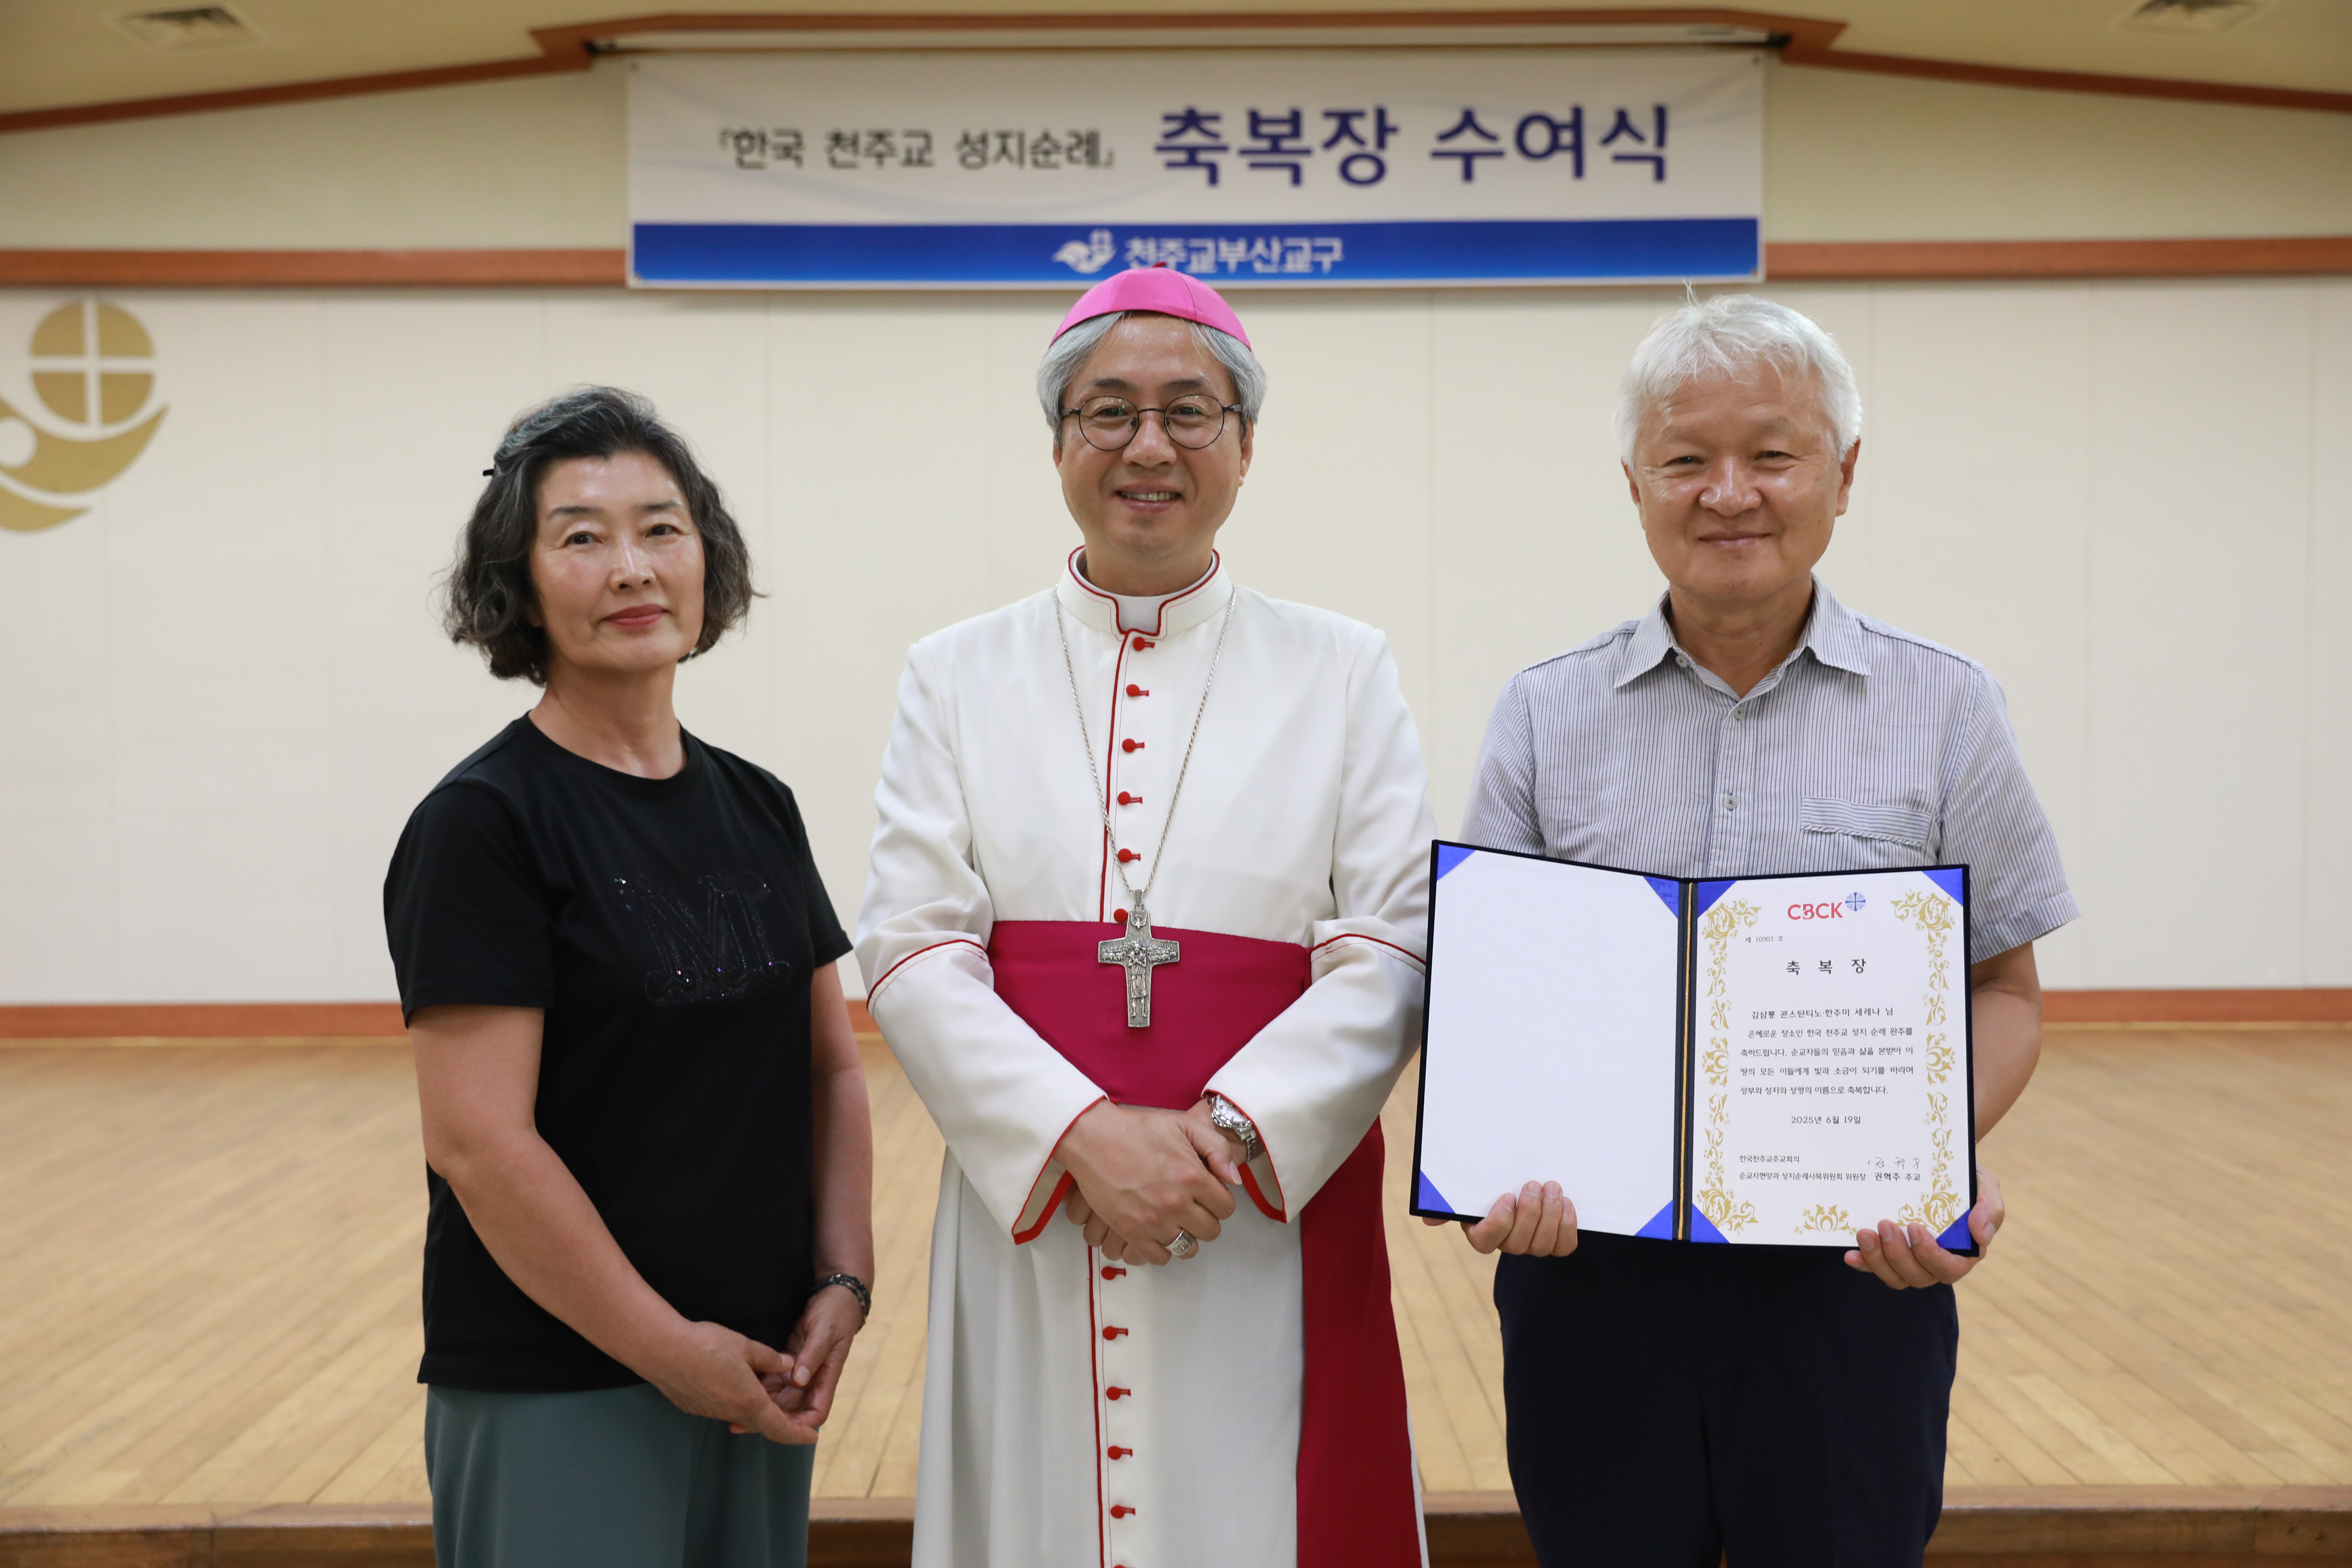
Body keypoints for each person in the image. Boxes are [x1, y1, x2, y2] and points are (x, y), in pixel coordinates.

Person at [1440, 295, 2077, 1567]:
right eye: (1687, 459)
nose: (1729, 492)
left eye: (1771, 455)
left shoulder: (1945, 704)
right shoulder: (1544, 713)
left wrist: (1932, 1159)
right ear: (1635, 484)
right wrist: (1490, 1161)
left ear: (1843, 475)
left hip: (1850, 1275)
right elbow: (1493, 999)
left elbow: (2006, 986)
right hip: (1592, 1274)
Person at [856, 268, 1435, 1568]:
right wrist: (1079, 1135)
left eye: (1191, 410)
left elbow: (1390, 942)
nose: (1149, 446)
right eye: (1107, 412)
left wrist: (1221, 1138)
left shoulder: (1343, 667)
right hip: (1040, 1201)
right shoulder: (955, 673)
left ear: (1245, 445)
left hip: (1259, 1208)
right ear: (1059, 442)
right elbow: (912, 943)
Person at [383, 387, 874, 1568]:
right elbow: (481, 1147)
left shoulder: (758, 804)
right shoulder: (482, 825)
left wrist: (844, 1280)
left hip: (761, 1369)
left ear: (709, 558)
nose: (632, 568)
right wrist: (667, 1350)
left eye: (662, 528)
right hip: (563, 1380)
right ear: (520, 582)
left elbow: (831, 1069)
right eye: (581, 536)